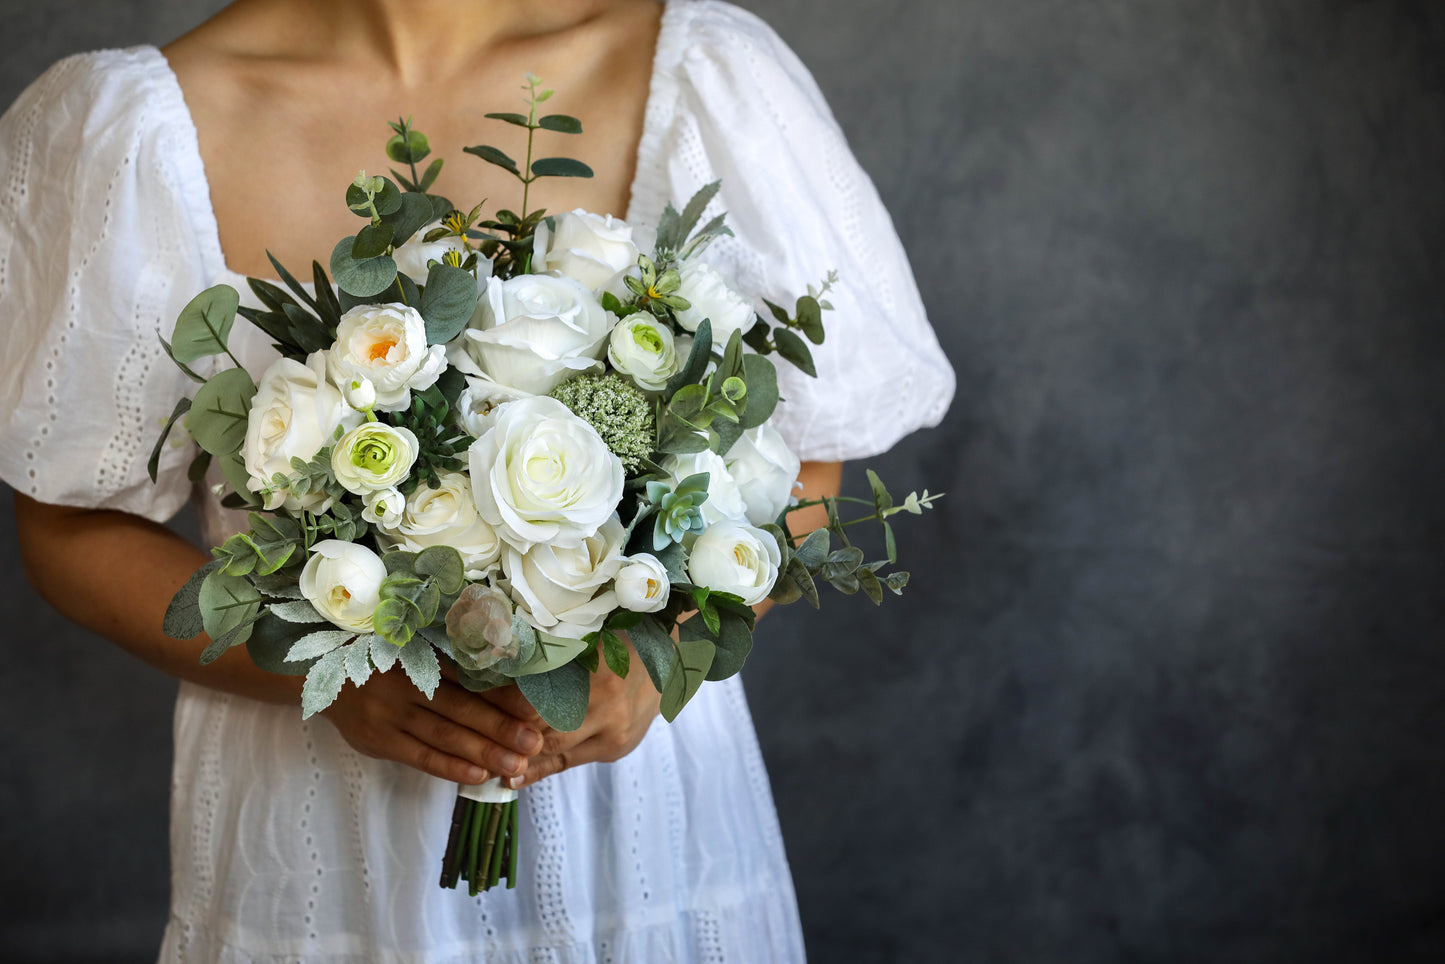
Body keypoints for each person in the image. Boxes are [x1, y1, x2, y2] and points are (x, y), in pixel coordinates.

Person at [0, 0, 955, 958]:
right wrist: (317, 671)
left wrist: (660, 651)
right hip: (320, 825)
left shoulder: (706, 75)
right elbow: (65, 532)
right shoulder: (136, 124)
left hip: (637, 821)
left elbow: (806, 452)